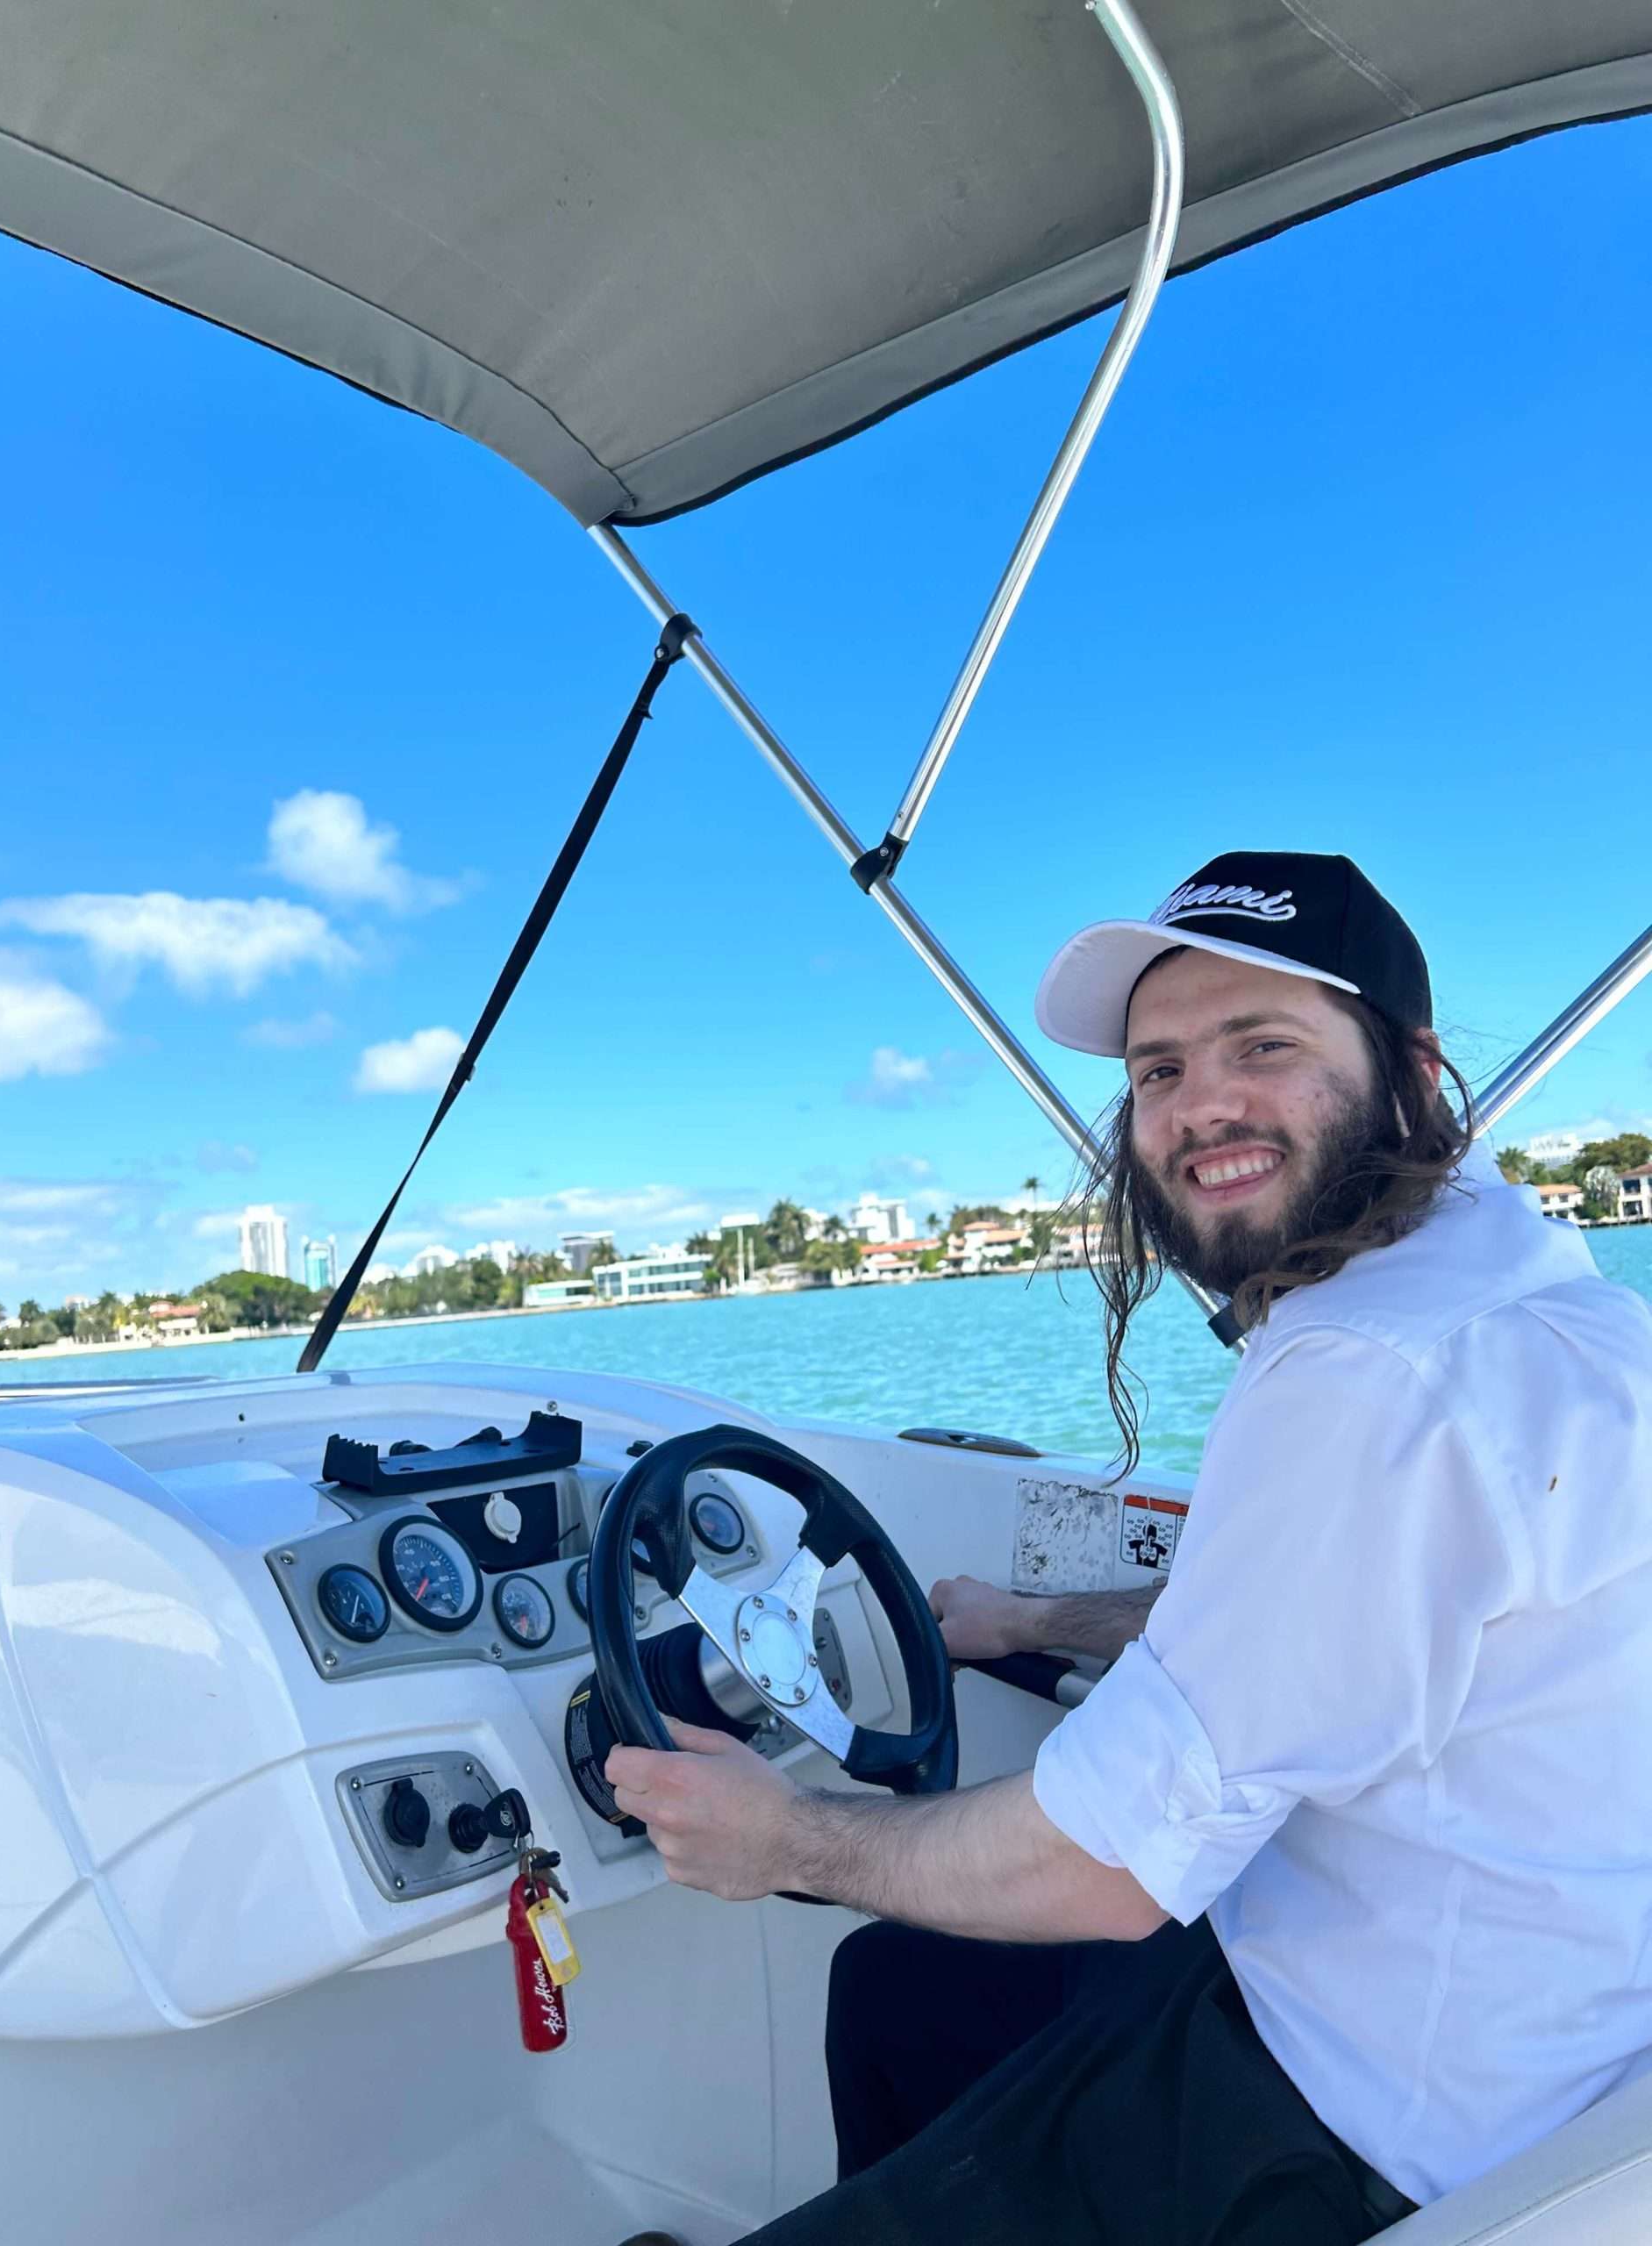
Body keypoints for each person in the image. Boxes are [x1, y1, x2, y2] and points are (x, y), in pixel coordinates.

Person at [606, 850, 1652, 2245]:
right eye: (1157, 1071)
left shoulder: (1372, 1372)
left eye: (1260, 1044)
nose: (1198, 1103)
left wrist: (781, 1837)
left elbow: (1102, 1874)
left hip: (1360, 2124)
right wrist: (1036, 1623)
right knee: (897, 1999)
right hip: (1521, 2031)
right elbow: (1341, 1625)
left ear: (1411, 1065)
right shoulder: (1532, 1296)